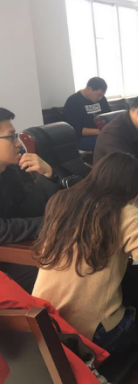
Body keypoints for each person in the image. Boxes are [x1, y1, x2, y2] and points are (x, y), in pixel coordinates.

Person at [33, 152, 138, 374]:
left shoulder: (61, 202)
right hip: (88, 339)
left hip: (45, 330)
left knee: (127, 276)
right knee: (132, 283)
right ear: (133, 189)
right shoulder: (123, 213)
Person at [0, 108, 62, 293]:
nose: (18, 143)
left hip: (9, 252)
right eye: (11, 137)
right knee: (57, 273)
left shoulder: (9, 171)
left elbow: (27, 210)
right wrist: (52, 223)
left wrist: (47, 175)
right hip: (5, 260)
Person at [63, 77, 111, 151]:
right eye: (99, 95)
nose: (100, 98)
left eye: (102, 95)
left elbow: (108, 117)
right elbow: (76, 130)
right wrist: (100, 131)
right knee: (110, 141)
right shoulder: (73, 101)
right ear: (89, 89)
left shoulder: (102, 100)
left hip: (101, 133)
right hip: (82, 138)